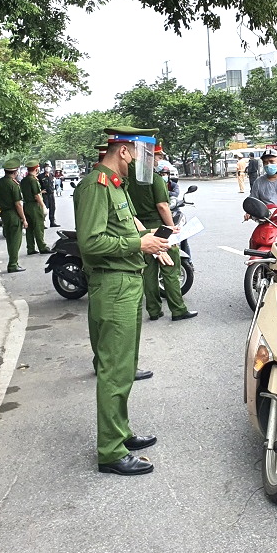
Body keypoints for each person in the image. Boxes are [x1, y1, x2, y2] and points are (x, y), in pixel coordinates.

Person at [74, 127, 173, 476]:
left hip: (127, 284)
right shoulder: (95, 186)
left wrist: (150, 239)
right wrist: (138, 245)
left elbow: (123, 231)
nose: (141, 162)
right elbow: (91, 243)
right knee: (114, 372)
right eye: (139, 154)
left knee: (124, 368)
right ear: (123, 152)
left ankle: (120, 432)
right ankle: (111, 452)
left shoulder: (116, 185)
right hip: (112, 286)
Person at [125, 159, 197, 323]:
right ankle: (178, 309)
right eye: (157, 157)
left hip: (141, 229)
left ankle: (154, 310)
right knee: (170, 268)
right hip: (160, 228)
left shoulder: (127, 179)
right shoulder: (154, 178)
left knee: (148, 272)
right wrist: (173, 230)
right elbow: (163, 206)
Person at [0, 158, 28, 273]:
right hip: (13, 214)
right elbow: (18, 204)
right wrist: (24, 219)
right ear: (15, 171)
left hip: (4, 214)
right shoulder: (13, 185)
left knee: (9, 239)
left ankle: (14, 262)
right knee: (15, 240)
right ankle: (13, 264)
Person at [20, 160, 50, 256]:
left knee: (30, 228)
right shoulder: (33, 180)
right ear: (36, 169)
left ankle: (30, 248)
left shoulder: (24, 180)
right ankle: (42, 247)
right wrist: (43, 206)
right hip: (34, 206)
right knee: (38, 226)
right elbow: (37, 195)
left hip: (26, 205)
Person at [40, 162, 58, 227]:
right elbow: (38, 186)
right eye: (46, 167)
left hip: (51, 194)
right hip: (45, 195)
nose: (47, 168)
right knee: (44, 208)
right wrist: (40, 191)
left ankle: (52, 222)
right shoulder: (40, 176)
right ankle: (43, 223)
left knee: (52, 208)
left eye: (48, 167)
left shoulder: (51, 175)